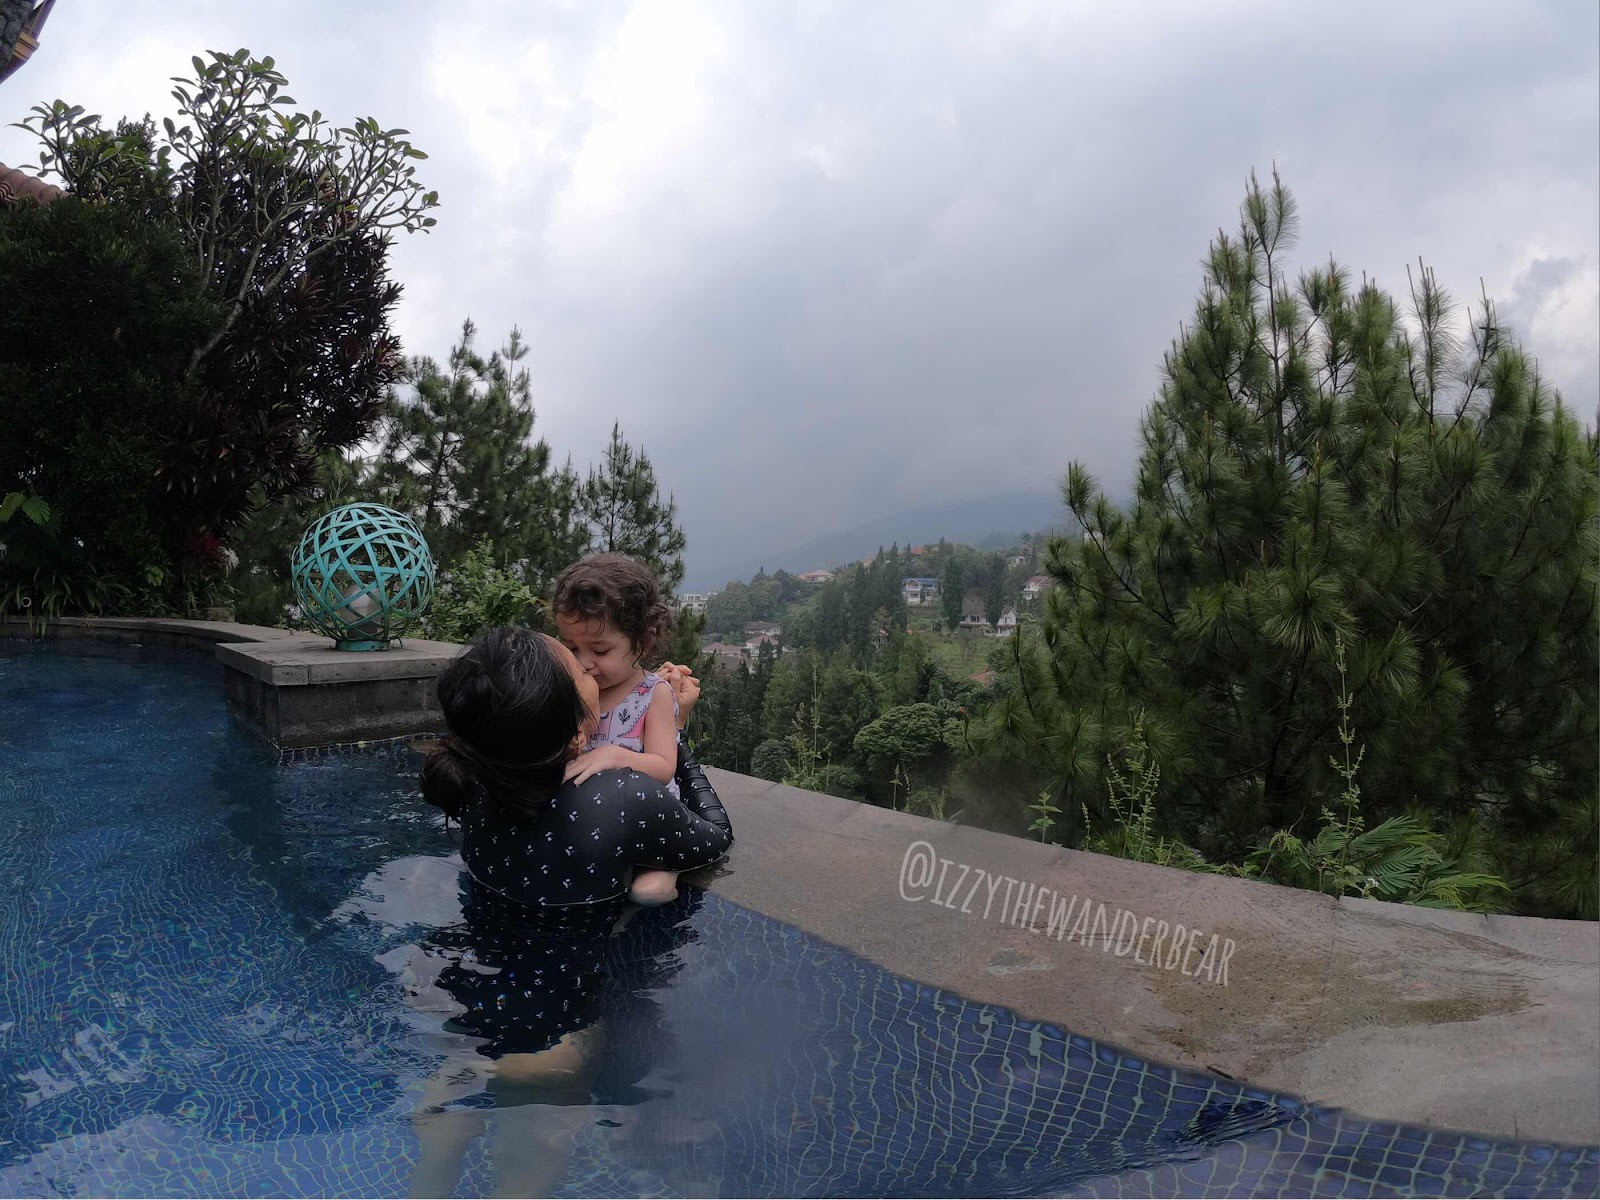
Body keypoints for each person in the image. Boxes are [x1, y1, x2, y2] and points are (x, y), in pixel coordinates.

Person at [407, 626, 730, 1198]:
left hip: (462, 1003)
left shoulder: (477, 782)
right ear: (582, 731)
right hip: (551, 1040)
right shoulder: (618, 797)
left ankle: (438, 1150)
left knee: (441, 1144)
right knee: (522, 1182)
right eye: (580, 671)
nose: (591, 670)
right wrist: (676, 739)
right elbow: (712, 837)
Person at [551, 552, 693, 908]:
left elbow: (663, 766)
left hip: (646, 823)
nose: (583, 662)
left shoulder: (652, 694)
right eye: (571, 647)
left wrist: (615, 756)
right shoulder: (575, 686)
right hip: (592, 821)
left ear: (642, 642)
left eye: (599, 649)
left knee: (649, 893)